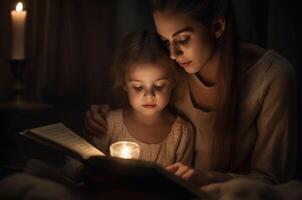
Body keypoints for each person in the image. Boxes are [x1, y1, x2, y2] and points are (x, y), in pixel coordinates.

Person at [85, 0, 297, 187]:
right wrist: (104, 116)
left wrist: (209, 179)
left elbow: (272, 181)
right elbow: (140, 99)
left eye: (183, 39)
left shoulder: (271, 77)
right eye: (165, 41)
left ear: (217, 26)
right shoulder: (174, 69)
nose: (172, 54)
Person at [89, 30, 195, 167]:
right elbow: (82, 163)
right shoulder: (109, 124)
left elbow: (183, 181)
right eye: (138, 87)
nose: (149, 96)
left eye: (159, 85)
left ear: (173, 81)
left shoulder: (182, 133)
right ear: (124, 83)